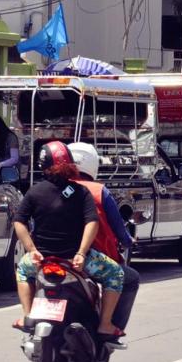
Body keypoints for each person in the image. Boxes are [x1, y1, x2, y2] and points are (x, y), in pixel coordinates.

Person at [12, 141, 124, 340]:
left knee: (22, 270)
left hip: (42, 260)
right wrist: (81, 253)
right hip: (75, 261)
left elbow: (19, 222)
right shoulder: (80, 192)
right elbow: (92, 222)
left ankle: (27, 316)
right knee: (115, 274)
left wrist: (31, 250)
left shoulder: (34, 192)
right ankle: (105, 324)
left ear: (43, 165)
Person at [66, 142, 140, 333]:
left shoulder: (55, 188)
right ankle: (109, 326)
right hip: (89, 257)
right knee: (129, 278)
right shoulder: (99, 191)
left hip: (52, 255)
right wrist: (127, 241)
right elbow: (118, 227)